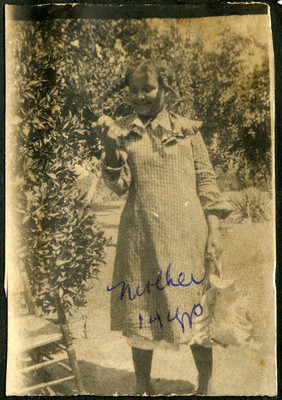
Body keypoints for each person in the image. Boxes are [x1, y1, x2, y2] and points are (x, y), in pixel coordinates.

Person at [96, 59, 233, 395]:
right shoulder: (123, 131)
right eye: (134, 90)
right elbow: (118, 185)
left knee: (195, 310)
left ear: (165, 89)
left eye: (148, 88)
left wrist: (214, 231)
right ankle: (143, 384)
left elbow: (207, 182)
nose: (140, 96)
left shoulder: (187, 130)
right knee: (140, 308)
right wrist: (111, 149)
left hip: (188, 237)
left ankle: (205, 382)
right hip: (140, 237)